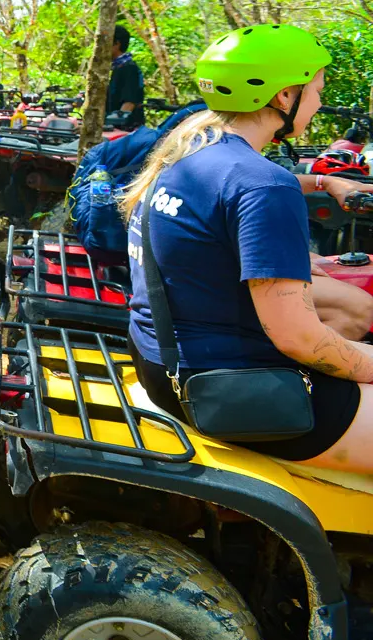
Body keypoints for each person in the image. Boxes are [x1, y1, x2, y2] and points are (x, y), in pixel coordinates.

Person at [122, 24, 373, 472]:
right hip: (229, 386)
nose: (317, 102)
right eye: (315, 89)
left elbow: (236, 192)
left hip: (162, 362)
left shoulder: (190, 153)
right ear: (283, 97)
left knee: (351, 316)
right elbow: (298, 338)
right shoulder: (263, 184)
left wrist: (322, 181)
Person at [106, 24, 145, 129]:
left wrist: (112, 127)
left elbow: (129, 103)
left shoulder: (129, 68)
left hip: (125, 131)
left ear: (117, 44)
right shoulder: (116, 67)